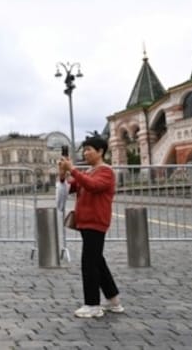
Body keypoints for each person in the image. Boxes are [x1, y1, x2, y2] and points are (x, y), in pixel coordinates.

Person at [58, 133, 123, 319]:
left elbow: (93, 186)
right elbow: (71, 187)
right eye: (84, 150)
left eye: (89, 150)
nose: (85, 153)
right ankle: (113, 300)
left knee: (89, 263)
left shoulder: (106, 171)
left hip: (96, 221)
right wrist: (63, 173)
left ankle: (93, 304)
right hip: (85, 221)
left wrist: (73, 170)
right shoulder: (88, 171)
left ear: (100, 151)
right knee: (97, 262)